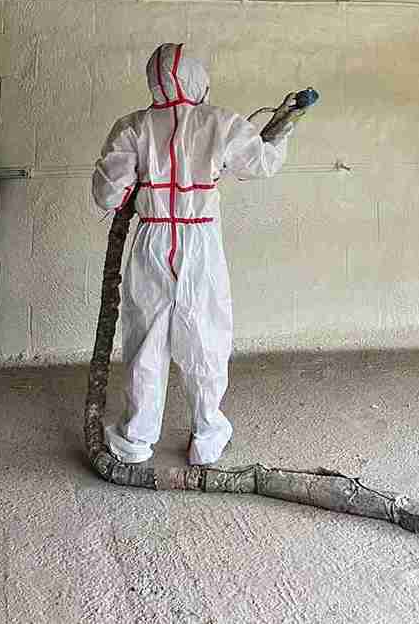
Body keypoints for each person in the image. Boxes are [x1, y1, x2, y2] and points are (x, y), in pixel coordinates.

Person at [92, 42, 290, 466]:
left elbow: (107, 194)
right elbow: (262, 164)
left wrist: (134, 185)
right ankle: (207, 435)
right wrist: (283, 130)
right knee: (207, 336)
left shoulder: (133, 127)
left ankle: (135, 439)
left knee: (147, 339)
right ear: (197, 78)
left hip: (152, 239)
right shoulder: (220, 122)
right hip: (200, 241)